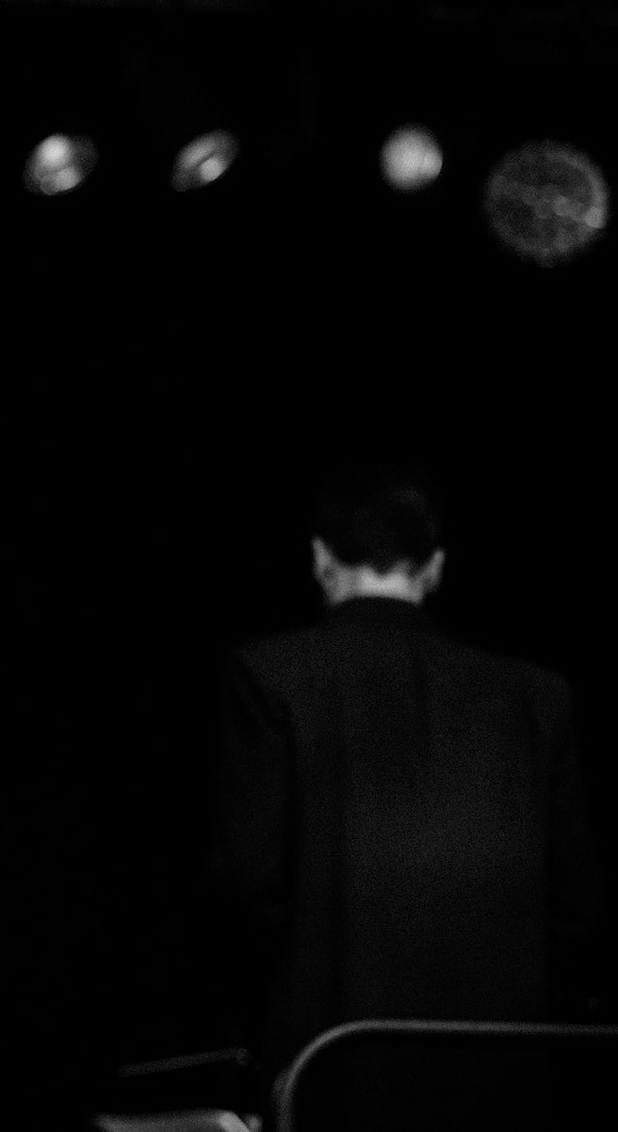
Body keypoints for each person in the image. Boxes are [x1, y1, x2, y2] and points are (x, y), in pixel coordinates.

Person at [209, 459, 604, 1130]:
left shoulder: (269, 678)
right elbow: (578, 913)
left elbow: (248, 892)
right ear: (436, 567)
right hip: (504, 1082)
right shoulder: (538, 699)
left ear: (320, 560)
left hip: (329, 1076)